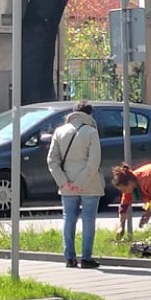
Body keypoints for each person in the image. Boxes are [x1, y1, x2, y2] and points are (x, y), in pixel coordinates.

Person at [47, 100, 105, 269]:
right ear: (90, 114)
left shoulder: (59, 132)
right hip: (90, 183)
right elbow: (94, 162)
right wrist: (80, 183)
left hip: (66, 185)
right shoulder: (91, 132)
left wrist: (64, 182)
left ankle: (69, 258)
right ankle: (86, 258)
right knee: (88, 219)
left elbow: (52, 160)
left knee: (69, 219)